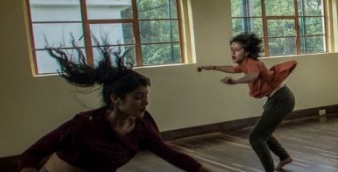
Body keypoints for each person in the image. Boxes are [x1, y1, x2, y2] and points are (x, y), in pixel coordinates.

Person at [18, 46, 208, 172]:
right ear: (116, 99)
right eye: (138, 97)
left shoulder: (142, 127)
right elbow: (31, 154)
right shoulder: (86, 124)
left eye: (146, 96)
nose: (145, 103)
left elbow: (172, 155)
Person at [197, 33, 297, 171]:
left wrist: (235, 82)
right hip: (276, 99)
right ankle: (284, 157)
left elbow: (253, 76)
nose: (233, 53)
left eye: (237, 50)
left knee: (256, 138)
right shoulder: (244, 64)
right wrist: (213, 67)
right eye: (232, 49)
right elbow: (232, 69)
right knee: (263, 134)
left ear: (247, 52)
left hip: (281, 99)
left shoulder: (252, 63)